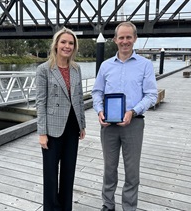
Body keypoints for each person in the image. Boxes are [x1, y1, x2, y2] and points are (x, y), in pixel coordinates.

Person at [91, 21, 158, 211]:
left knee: (132, 171)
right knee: (109, 169)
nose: (125, 41)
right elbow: (97, 92)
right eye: (121, 37)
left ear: (135, 39)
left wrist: (132, 111)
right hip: (108, 125)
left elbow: (151, 95)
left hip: (134, 124)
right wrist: (99, 110)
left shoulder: (145, 65)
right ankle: (108, 205)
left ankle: (129, 207)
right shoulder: (105, 66)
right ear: (115, 40)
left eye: (129, 37)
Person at [35, 27, 86, 211]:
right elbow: (40, 102)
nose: (67, 46)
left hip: (72, 126)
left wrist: (82, 124)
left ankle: (66, 208)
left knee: (68, 171)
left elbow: (79, 97)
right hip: (52, 127)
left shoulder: (76, 68)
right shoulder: (44, 70)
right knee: (50, 173)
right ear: (56, 45)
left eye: (71, 43)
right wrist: (42, 132)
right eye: (63, 42)